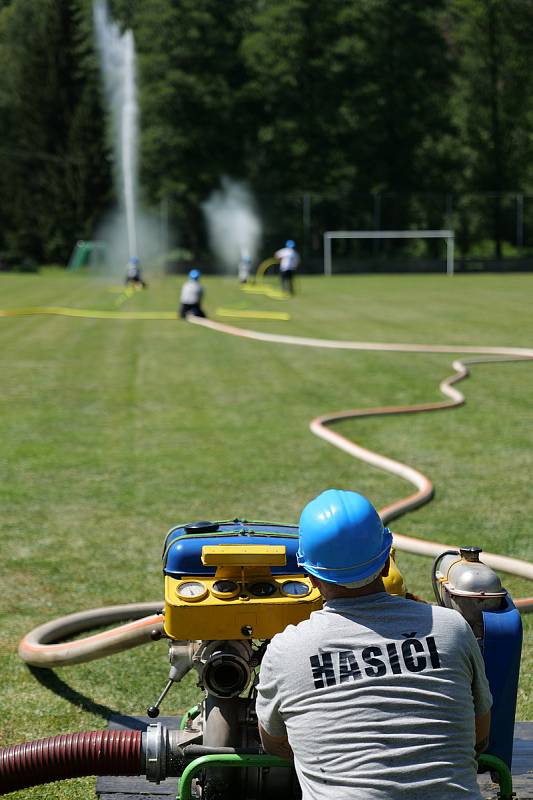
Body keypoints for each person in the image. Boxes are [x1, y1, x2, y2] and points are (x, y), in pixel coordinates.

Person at [256, 489, 492, 800]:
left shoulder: (286, 651)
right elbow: (479, 734)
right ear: (385, 564)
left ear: (311, 577)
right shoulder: (452, 629)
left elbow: (274, 743)